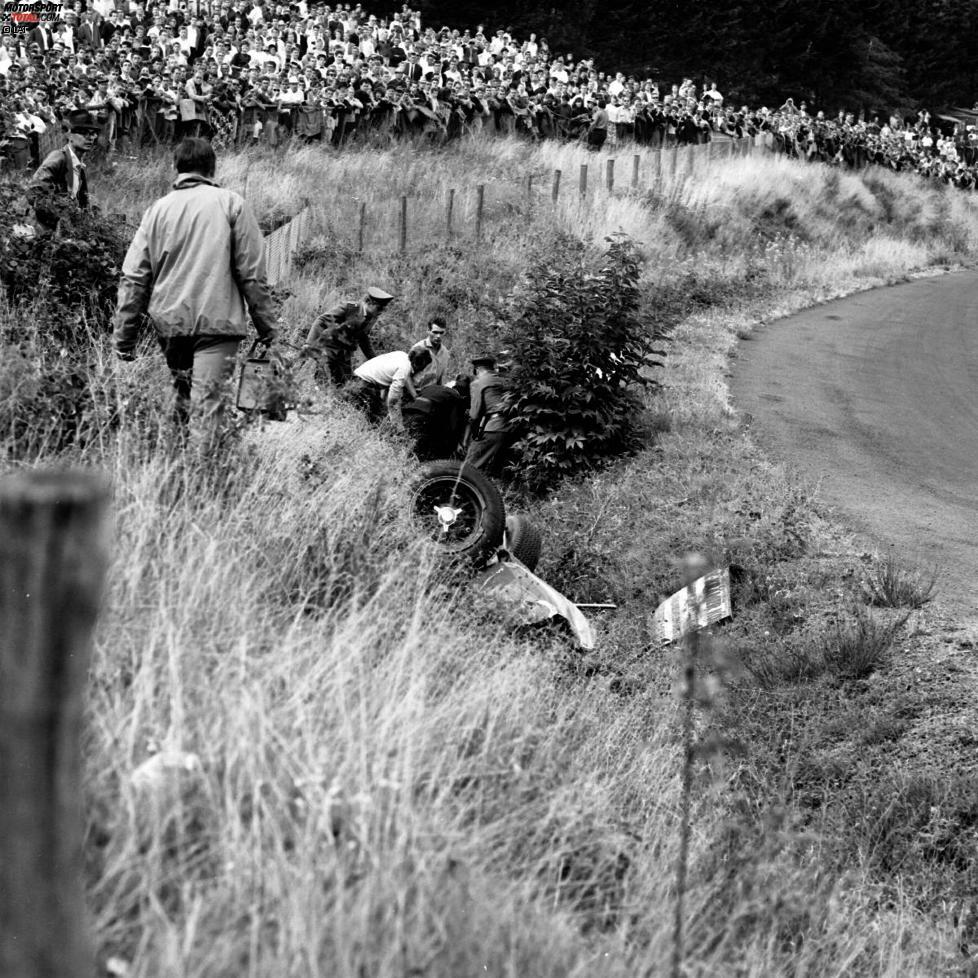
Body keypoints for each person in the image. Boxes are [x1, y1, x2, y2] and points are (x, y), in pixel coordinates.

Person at [113, 137, 277, 441]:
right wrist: (268, 327)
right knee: (207, 410)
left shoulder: (156, 210)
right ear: (212, 167)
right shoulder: (232, 204)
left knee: (183, 400)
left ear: (177, 168)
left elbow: (134, 277)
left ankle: (174, 473)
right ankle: (202, 480)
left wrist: (124, 337)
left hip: (170, 325)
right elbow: (252, 275)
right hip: (217, 325)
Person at [303, 286, 395, 386]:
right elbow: (321, 321)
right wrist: (309, 344)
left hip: (344, 356)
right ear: (370, 303)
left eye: (383, 309)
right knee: (325, 380)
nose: (381, 312)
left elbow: (363, 339)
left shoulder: (372, 317)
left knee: (345, 384)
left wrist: (374, 360)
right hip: (329, 349)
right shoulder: (349, 308)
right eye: (379, 308)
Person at [27, 108, 100, 228]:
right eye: (83, 132)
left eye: (92, 133)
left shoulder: (77, 164)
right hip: (45, 228)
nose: (90, 137)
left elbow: (81, 202)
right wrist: (59, 216)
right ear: (69, 134)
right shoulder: (59, 158)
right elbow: (34, 192)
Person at [349, 346, 428, 429]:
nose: (421, 371)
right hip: (362, 385)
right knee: (375, 420)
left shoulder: (401, 355)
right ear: (417, 364)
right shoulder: (404, 368)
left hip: (356, 378)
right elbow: (393, 400)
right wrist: (398, 425)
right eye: (422, 368)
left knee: (378, 411)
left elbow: (387, 379)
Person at [464, 351, 510, 474]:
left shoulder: (478, 382)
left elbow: (474, 414)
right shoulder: (504, 380)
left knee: (470, 467)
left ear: (477, 369)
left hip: (495, 427)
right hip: (512, 427)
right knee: (497, 469)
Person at [408, 315, 450, 387]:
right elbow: (406, 376)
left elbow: (441, 378)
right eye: (435, 332)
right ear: (428, 331)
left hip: (433, 391)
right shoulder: (418, 348)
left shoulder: (445, 352)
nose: (438, 336)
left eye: (441, 333)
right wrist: (415, 396)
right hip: (417, 390)